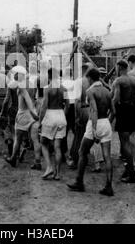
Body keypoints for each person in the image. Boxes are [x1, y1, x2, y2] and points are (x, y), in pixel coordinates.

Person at [67, 68, 114, 196]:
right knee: (107, 156)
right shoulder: (107, 92)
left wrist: (94, 128)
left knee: (82, 151)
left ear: (90, 78)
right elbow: (113, 112)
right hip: (106, 123)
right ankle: (109, 186)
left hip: (95, 123)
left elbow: (93, 111)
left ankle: (79, 182)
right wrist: (106, 123)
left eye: (87, 79)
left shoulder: (90, 91)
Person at [111, 59, 135, 183]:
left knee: (125, 144)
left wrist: (112, 113)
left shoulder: (118, 81)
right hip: (134, 110)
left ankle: (132, 173)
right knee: (130, 141)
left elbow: (115, 99)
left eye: (116, 68)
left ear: (119, 68)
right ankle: (128, 169)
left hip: (123, 110)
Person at [5, 66, 39, 167]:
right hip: (32, 112)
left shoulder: (21, 85)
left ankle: (13, 158)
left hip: (23, 113)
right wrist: (34, 113)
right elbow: (34, 99)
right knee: (35, 140)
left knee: (18, 139)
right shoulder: (32, 83)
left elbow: (26, 98)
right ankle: (38, 162)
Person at [39, 68, 68, 180]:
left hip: (50, 115)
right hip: (60, 115)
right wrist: (63, 115)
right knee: (57, 147)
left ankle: (49, 167)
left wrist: (40, 121)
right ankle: (58, 174)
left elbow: (44, 106)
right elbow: (68, 105)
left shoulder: (47, 89)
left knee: (43, 143)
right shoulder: (64, 89)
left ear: (49, 76)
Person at [68, 63, 92, 169]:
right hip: (90, 109)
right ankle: (84, 158)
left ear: (83, 69)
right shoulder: (92, 81)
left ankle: (75, 160)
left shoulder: (79, 81)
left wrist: (76, 116)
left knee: (78, 135)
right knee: (86, 135)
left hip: (82, 109)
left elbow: (77, 100)